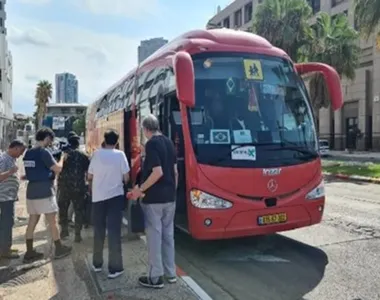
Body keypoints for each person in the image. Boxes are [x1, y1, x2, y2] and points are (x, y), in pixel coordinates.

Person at [130, 114, 178, 289]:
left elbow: (157, 172)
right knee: (168, 236)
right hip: (170, 198)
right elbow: (175, 171)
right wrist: (172, 191)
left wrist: (140, 189)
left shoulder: (151, 144)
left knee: (154, 237)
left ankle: (155, 277)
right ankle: (170, 273)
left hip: (154, 199)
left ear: (145, 129)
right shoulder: (169, 142)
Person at [22, 127, 72, 263]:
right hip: (45, 190)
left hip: (31, 191)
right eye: (50, 139)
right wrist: (62, 158)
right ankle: (59, 248)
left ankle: (29, 251)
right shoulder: (43, 152)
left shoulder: (28, 152)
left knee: (32, 221)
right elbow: (58, 169)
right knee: (52, 221)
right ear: (46, 138)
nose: (50, 143)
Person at [87, 129, 130, 279]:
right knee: (114, 233)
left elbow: (90, 175)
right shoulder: (120, 155)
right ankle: (115, 268)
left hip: (98, 198)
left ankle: (97, 264)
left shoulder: (97, 154)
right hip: (115, 198)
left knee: (98, 231)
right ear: (117, 141)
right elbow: (126, 177)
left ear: (104, 139)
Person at [58, 134, 90, 242]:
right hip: (79, 187)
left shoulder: (64, 155)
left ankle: (64, 231)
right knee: (79, 210)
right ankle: (77, 234)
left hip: (64, 187)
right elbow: (87, 171)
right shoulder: (83, 155)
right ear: (78, 144)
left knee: (63, 209)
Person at [0, 140, 26, 259]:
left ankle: (5, 247)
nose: (21, 155)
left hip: (8, 197)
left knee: (7, 222)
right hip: (4, 197)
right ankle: (5, 251)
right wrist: (11, 172)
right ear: (15, 148)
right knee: (6, 222)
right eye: (20, 151)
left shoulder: (11, 159)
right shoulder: (3, 159)